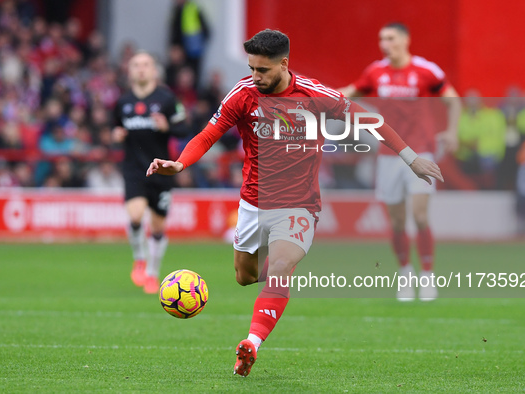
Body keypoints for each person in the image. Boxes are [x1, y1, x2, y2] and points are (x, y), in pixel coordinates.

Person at [146, 29, 443, 376]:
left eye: (263, 70)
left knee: (281, 268)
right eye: (252, 68)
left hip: (298, 206)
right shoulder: (243, 94)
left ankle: (251, 344)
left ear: (284, 64)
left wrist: (411, 158)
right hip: (253, 204)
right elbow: (209, 133)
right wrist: (180, 163)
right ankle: (276, 284)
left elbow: (369, 121)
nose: (255, 77)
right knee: (245, 276)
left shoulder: (315, 95)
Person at [340, 22, 461, 301]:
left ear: (405, 40)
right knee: (396, 223)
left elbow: (453, 100)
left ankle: (428, 275)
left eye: (390, 38)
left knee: (419, 216)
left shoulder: (426, 70)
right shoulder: (375, 72)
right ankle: (406, 273)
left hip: (421, 152)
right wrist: (318, 96)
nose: (384, 43)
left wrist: (453, 131)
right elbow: (350, 92)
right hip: (388, 155)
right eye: (381, 39)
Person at [113, 51, 188, 294]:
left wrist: (168, 127)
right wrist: (115, 135)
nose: (141, 69)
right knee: (135, 216)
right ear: (130, 71)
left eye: (146, 65)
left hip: (162, 170)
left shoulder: (167, 99)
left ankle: (153, 274)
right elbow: (113, 128)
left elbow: (185, 126)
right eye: (136, 65)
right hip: (134, 168)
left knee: (157, 227)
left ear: (154, 70)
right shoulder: (122, 102)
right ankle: (139, 259)